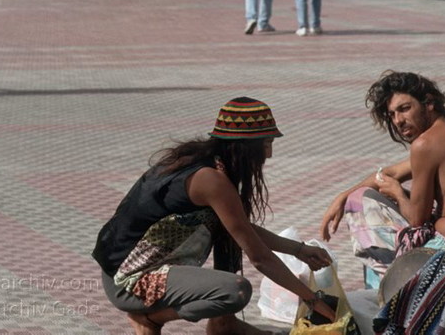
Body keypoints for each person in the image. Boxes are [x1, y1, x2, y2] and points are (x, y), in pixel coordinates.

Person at [93, 97, 335, 335]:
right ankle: (149, 319)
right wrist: (312, 300)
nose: (269, 154)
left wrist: (298, 250)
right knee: (235, 291)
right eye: (266, 144)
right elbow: (260, 258)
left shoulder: (207, 164)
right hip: (129, 281)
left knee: (228, 236)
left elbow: (239, 227)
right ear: (244, 147)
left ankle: (224, 325)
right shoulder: (210, 180)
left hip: (130, 270)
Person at [320, 71, 445, 334]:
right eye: (392, 114)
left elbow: (417, 220)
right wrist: (343, 195)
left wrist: (397, 193)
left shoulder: (424, 144)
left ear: (429, 103)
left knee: (359, 206)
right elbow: (389, 173)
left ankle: (389, 298)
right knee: (356, 197)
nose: (398, 120)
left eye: (405, 109)